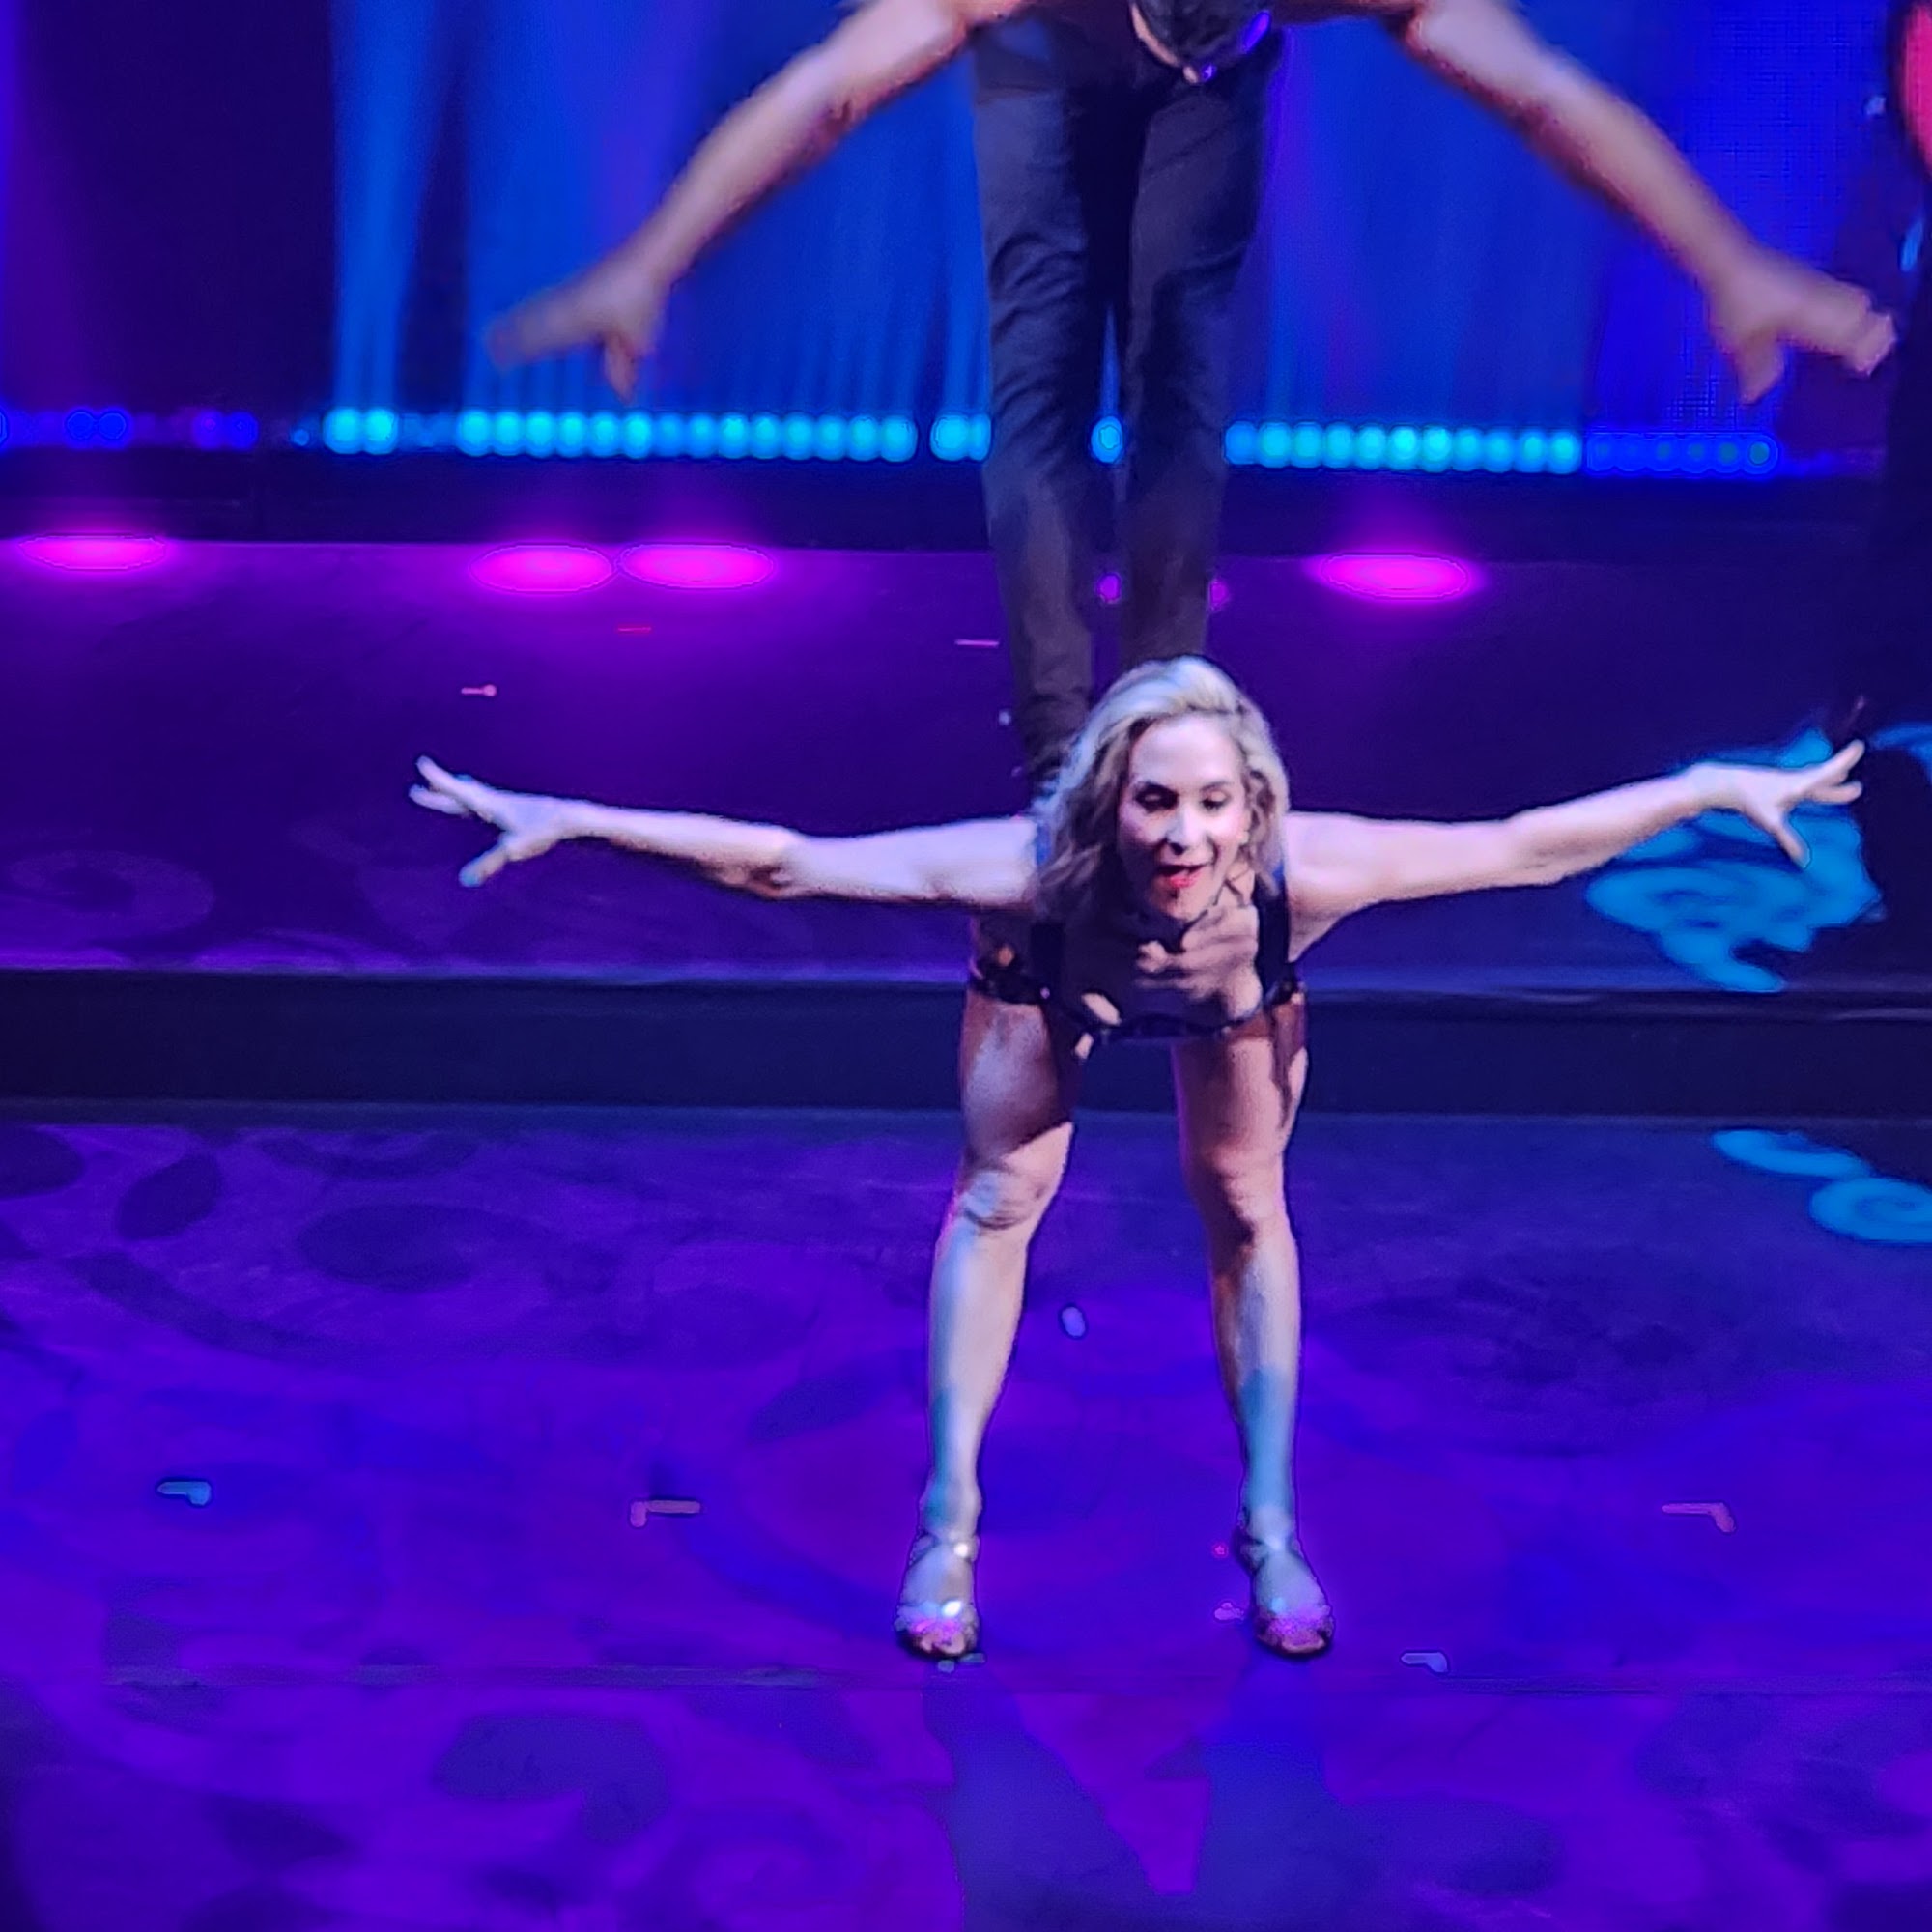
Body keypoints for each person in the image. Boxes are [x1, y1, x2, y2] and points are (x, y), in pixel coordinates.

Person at [410, 658, 1866, 1660]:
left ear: (1253, 807)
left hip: (1240, 1004)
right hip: (1048, 988)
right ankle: (948, 1527)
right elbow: (787, 861)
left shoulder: (1307, 871)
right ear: (1109, 799)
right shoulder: (1029, 874)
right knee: (1001, 1199)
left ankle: (1269, 1524)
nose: (1183, 832)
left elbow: (1527, 845)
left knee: (1244, 1208)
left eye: (1212, 802)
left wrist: (1709, 786)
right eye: (1156, 800)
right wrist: (576, 820)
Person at [485, 0, 1894, 797]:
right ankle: (1058, 752)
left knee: (1179, 371)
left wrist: (1729, 266)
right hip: (1045, 62)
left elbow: (1541, 92)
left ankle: (1165, 707)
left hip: (1208, 81)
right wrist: (649, 265)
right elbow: (827, 89)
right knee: (1043, 374)